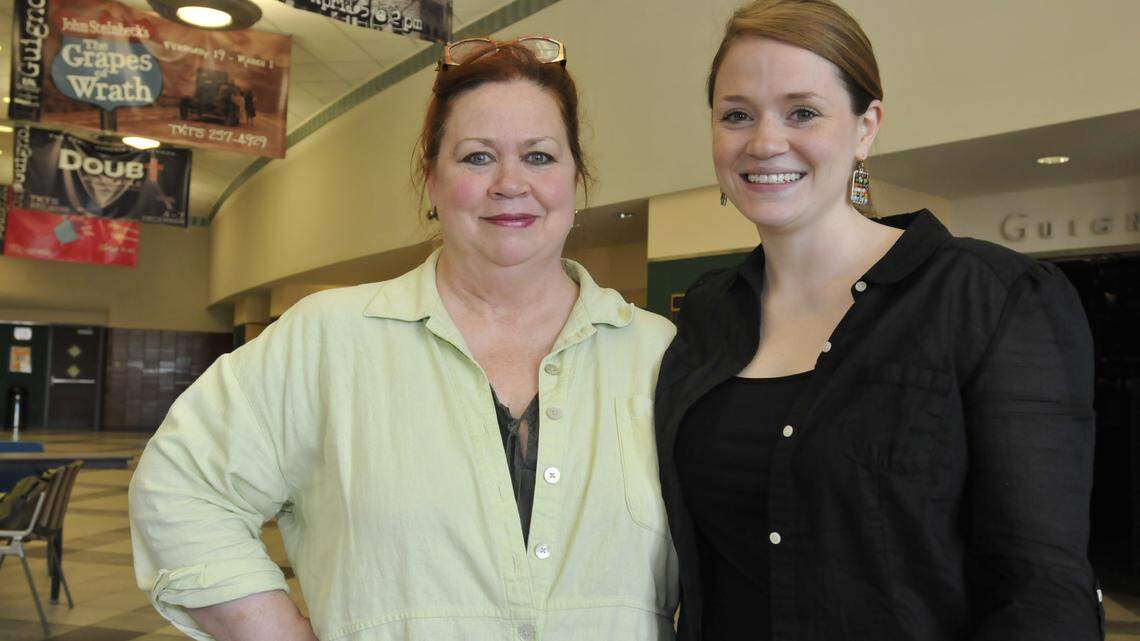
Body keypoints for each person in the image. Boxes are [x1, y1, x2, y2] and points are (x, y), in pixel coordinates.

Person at [131, 38, 679, 641]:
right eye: (476, 158)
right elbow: (180, 487)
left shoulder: (659, 353)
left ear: (577, 177)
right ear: (432, 181)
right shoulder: (328, 338)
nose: (510, 182)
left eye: (540, 156)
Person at [653, 1, 1104, 640]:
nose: (764, 141)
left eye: (802, 112)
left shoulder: (987, 298)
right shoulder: (706, 312)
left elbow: (1041, 594)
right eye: (736, 115)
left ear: (867, 128)